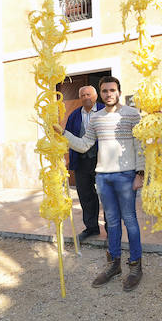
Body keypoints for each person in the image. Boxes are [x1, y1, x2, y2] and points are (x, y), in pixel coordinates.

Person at [62, 76, 145, 291]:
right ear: (101, 93)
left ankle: (135, 265)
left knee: (130, 220)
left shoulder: (132, 114)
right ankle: (114, 264)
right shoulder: (97, 118)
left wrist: (140, 174)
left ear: (118, 91)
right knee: (112, 222)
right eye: (105, 91)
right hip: (103, 177)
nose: (109, 94)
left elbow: (140, 146)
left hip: (126, 175)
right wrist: (63, 134)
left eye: (112, 90)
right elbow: (84, 144)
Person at [64, 86, 104, 242]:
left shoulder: (104, 111)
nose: (86, 97)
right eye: (83, 95)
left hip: (101, 160)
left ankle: (110, 229)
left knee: (106, 195)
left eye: (89, 94)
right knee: (86, 196)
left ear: (95, 96)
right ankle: (91, 228)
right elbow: (67, 136)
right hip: (81, 161)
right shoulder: (74, 115)